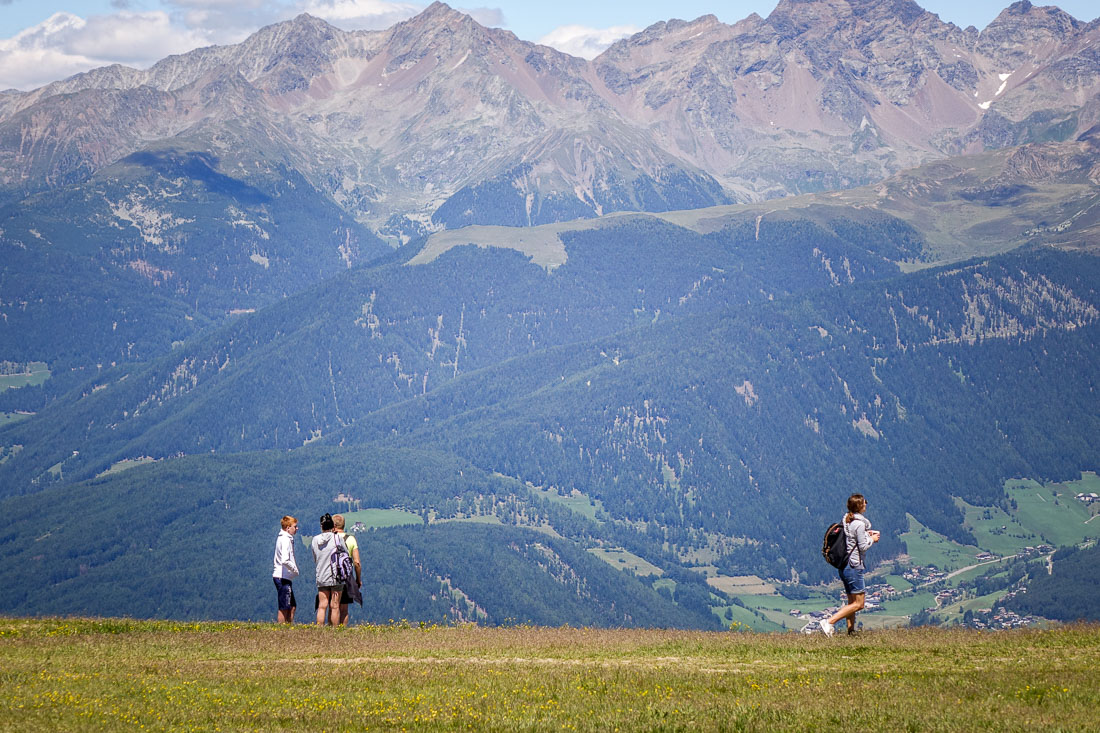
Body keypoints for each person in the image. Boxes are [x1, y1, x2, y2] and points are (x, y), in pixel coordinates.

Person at [821, 494, 879, 637]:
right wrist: (872, 538)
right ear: (860, 506)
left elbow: (852, 539)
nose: (866, 504)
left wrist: (866, 534)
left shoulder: (848, 521)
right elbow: (863, 547)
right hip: (854, 567)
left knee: (851, 601)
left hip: (845, 566)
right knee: (859, 604)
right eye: (864, 502)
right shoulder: (859, 524)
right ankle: (829, 622)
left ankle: (851, 631)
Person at [311, 513, 347, 626]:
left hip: (321, 575)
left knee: (322, 605)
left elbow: (315, 557)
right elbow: (345, 553)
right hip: (336, 576)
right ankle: (335, 630)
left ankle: (319, 628)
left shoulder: (315, 540)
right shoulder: (337, 538)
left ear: (321, 527)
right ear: (332, 527)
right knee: (335, 605)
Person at [332, 514, 362, 625]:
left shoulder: (330, 539)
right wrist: (358, 579)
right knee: (343, 609)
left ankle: (331, 630)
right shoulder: (350, 539)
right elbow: (357, 562)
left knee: (333, 606)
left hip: (330, 576)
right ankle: (342, 631)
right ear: (343, 525)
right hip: (346, 576)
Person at [272, 515, 299, 624]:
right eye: (295, 526)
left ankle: (288, 625)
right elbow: (285, 559)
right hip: (282, 576)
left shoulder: (283, 538)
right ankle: (282, 627)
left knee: (292, 605)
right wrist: (295, 569)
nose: (296, 528)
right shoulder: (285, 539)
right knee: (284, 606)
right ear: (288, 528)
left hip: (284, 576)